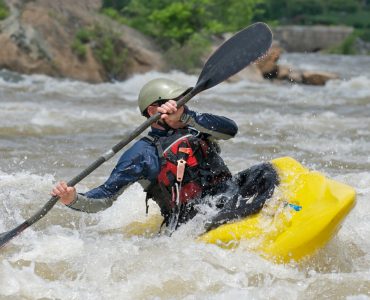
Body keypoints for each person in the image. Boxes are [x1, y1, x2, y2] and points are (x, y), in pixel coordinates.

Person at [52, 78, 278, 232]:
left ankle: (268, 209)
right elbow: (105, 198)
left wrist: (187, 118)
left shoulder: (195, 124)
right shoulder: (142, 154)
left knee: (265, 171)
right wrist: (72, 198)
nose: (183, 106)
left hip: (226, 195)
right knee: (223, 208)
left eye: (183, 101)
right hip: (193, 220)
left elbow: (231, 130)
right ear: (153, 110)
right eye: (177, 101)